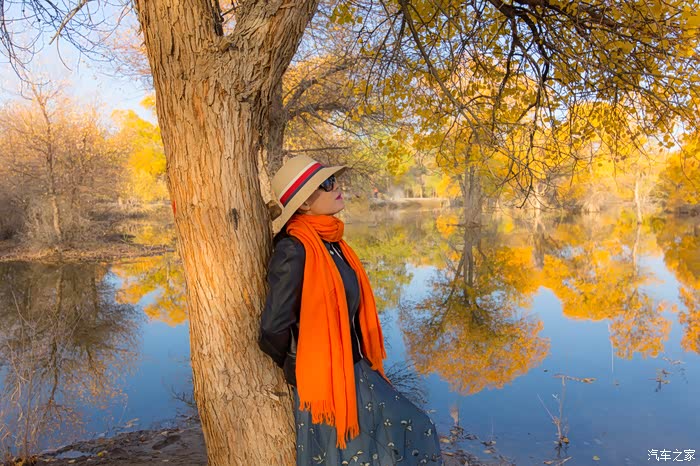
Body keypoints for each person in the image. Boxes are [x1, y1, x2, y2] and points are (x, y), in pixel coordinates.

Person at [259, 155, 443, 465]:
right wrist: (304, 363)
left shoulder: (333, 243)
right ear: (304, 203)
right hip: (325, 377)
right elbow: (272, 328)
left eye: (333, 180)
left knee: (394, 438)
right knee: (377, 442)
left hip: (356, 367)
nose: (337, 187)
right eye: (326, 183)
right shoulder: (295, 248)